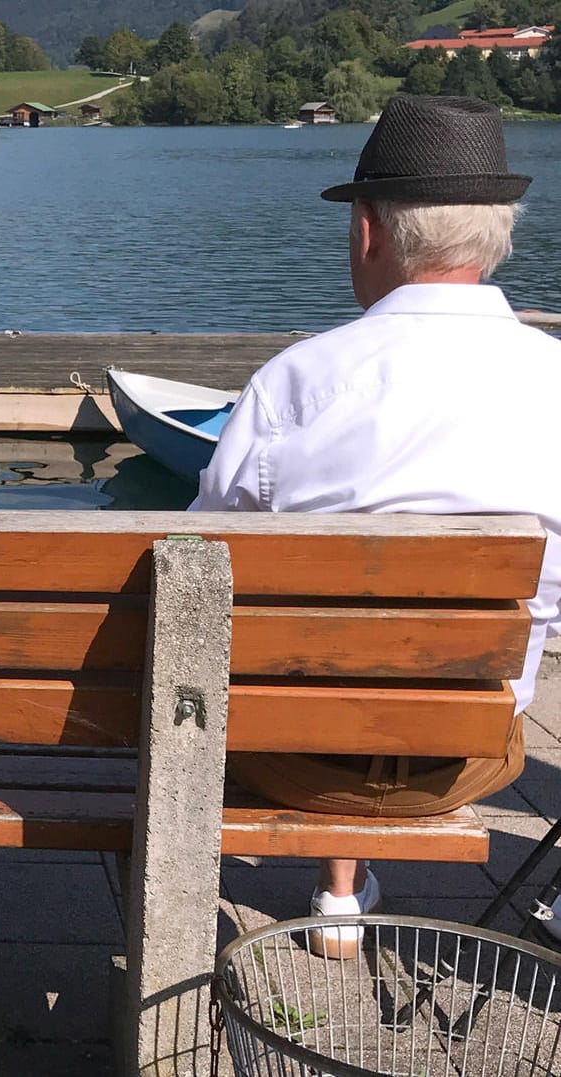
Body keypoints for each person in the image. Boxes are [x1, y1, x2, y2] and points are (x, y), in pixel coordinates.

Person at [192, 94, 561, 959]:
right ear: (496, 233)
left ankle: (337, 895)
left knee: (336, 660)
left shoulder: (294, 385)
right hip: (468, 758)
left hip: (295, 757)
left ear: (367, 229)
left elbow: (196, 564)